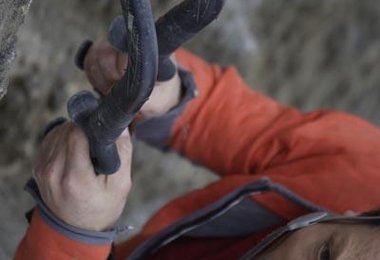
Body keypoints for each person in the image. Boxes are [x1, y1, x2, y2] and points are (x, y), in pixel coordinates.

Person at [15, 34, 380, 259]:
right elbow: (231, 120)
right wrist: (168, 94)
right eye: (325, 254)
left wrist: (70, 236)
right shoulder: (366, 167)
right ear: (353, 214)